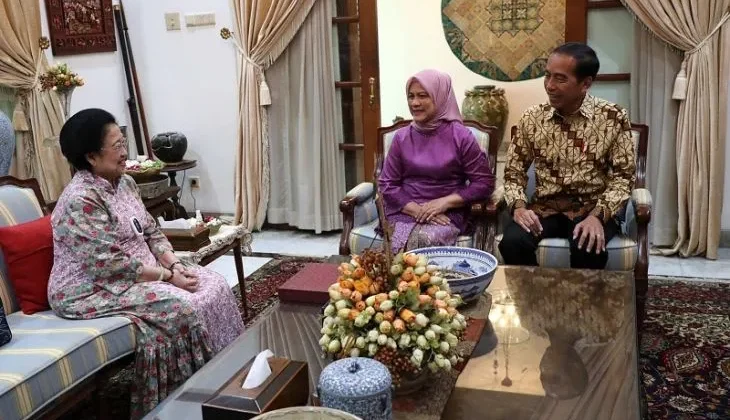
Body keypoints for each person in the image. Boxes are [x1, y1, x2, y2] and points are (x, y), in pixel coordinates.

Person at [47, 109, 244, 418]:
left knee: (214, 284)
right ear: (91, 157)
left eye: (123, 142)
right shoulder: (80, 200)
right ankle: (183, 403)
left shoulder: (125, 182)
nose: (125, 152)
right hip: (90, 287)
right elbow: (109, 265)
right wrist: (167, 277)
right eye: (116, 146)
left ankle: (232, 375)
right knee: (181, 307)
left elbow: (150, 230)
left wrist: (174, 264)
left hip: (139, 271)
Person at [499, 42, 636, 269]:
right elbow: (514, 172)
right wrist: (519, 207)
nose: (550, 86)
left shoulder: (613, 117)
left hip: (591, 207)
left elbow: (623, 177)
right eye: (547, 76)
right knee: (513, 242)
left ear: (585, 84)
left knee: (587, 245)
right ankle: (535, 292)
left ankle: (583, 295)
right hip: (545, 208)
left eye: (560, 79)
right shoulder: (532, 118)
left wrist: (598, 216)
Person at [378, 69, 495, 251]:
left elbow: (484, 183)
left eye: (423, 96)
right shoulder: (402, 137)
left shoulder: (461, 136)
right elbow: (387, 184)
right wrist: (419, 210)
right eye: (411, 96)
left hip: (448, 213)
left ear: (440, 97)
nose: (415, 103)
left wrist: (444, 203)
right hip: (405, 210)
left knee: (424, 241)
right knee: (396, 246)